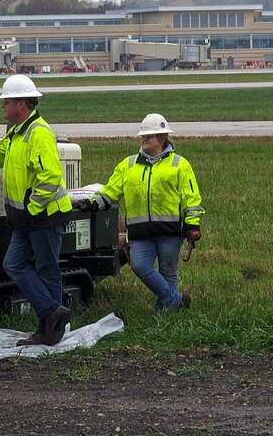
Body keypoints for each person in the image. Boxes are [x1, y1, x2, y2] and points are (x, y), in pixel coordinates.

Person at [0, 74, 73, 346]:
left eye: (6, 101)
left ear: (21, 103)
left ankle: (48, 330)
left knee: (46, 270)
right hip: (27, 219)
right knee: (14, 264)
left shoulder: (38, 133)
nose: (3, 107)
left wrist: (32, 209)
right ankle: (52, 315)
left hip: (43, 216)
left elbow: (50, 177)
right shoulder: (17, 132)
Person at [77, 113, 203, 311]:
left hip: (169, 232)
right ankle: (176, 300)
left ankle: (164, 314)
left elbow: (191, 198)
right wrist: (92, 204)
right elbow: (111, 192)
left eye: (149, 136)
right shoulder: (128, 165)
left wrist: (192, 224)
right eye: (143, 136)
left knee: (168, 271)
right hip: (140, 233)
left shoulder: (180, 165)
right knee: (139, 266)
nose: (144, 139)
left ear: (161, 138)